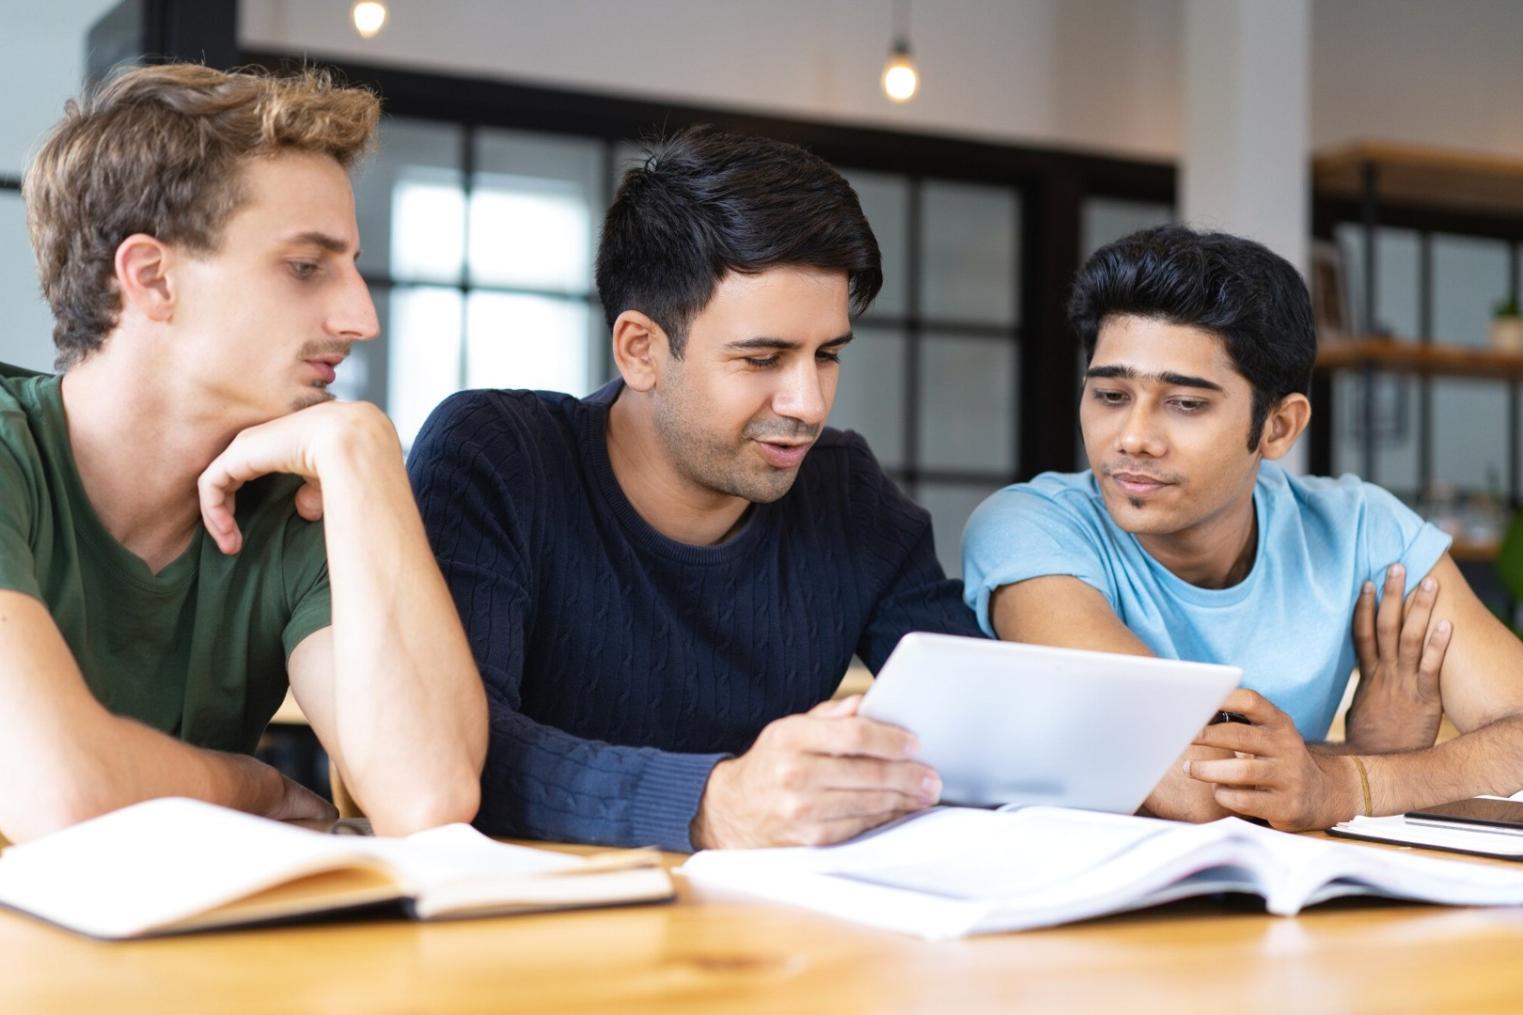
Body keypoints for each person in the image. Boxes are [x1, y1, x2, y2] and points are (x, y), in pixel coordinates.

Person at [408, 126, 984, 852]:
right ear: (640, 350)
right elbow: (451, 752)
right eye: (762, 359)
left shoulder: (844, 489)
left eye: (827, 355)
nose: (808, 404)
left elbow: (981, 712)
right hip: (535, 911)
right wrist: (712, 804)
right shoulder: (497, 458)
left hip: (764, 914)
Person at [0, 64, 487, 843]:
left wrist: (363, 450)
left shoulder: (293, 502)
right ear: (152, 278)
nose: (360, 317)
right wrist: (249, 785)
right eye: (306, 267)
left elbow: (428, 796)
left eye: (351, 267)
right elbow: (58, 789)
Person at [963, 224, 1523, 831]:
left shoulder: (1361, 529)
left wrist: (1350, 783)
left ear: (1278, 427)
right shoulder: (1028, 529)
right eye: (1110, 395)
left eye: (1186, 403)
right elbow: (1191, 783)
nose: (1133, 439)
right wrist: (1371, 761)